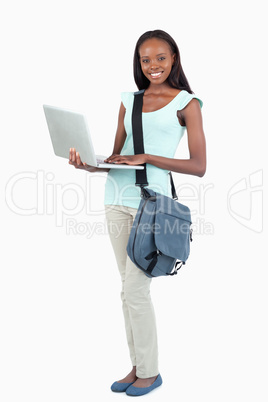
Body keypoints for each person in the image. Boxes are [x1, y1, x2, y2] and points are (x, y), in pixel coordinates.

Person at [69, 29, 206, 396]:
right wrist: (87, 165)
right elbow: (117, 159)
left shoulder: (187, 104)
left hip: (152, 206)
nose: (153, 66)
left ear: (174, 58)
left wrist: (148, 157)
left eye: (160, 58)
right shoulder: (128, 101)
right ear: (139, 63)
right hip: (115, 198)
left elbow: (198, 165)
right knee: (127, 292)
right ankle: (138, 366)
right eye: (146, 60)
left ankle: (151, 371)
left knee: (136, 291)